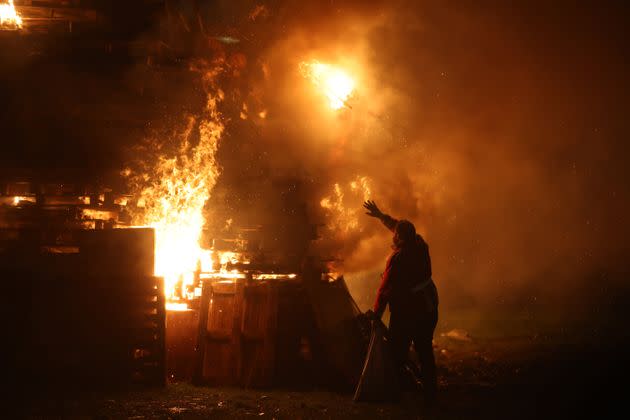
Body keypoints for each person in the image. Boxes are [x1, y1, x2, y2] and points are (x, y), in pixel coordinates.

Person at [363, 200, 439, 405]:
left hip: (409, 311)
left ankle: (397, 393)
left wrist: (377, 314)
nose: (393, 235)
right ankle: (430, 393)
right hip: (428, 306)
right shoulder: (420, 244)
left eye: (396, 235)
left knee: (397, 353)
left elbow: (385, 289)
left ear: (401, 239)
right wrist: (380, 215)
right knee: (424, 350)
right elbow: (398, 226)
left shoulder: (398, 259)